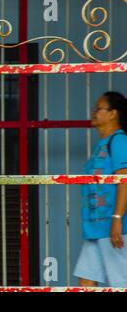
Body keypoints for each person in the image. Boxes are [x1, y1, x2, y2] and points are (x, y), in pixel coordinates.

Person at [74, 91, 127, 287]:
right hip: (96, 228)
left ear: (113, 113)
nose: (93, 112)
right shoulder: (102, 145)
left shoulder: (119, 141)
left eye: (98, 108)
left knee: (120, 282)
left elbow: (124, 180)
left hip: (115, 228)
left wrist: (117, 219)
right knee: (85, 278)